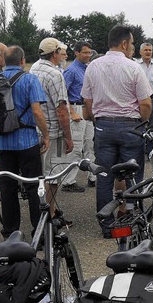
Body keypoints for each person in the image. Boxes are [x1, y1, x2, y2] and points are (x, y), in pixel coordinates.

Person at [82, 25, 152, 238]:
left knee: (104, 175)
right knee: (133, 175)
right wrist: (143, 122)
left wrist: (98, 119)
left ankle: (106, 224)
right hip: (130, 126)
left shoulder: (93, 66)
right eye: (131, 44)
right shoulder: (133, 68)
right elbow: (146, 103)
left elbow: (87, 100)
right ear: (124, 44)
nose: (132, 48)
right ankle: (131, 219)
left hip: (103, 126)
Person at [0, 46, 50, 238]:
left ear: (4, 61)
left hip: (3, 143)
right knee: (33, 187)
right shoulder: (30, 79)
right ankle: (38, 233)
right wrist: (46, 135)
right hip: (27, 141)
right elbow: (37, 111)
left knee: (7, 188)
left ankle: (10, 233)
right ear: (22, 60)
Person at [29, 37, 74, 226]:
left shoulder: (33, 69)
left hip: (36, 130)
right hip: (53, 132)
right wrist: (69, 137)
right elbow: (61, 109)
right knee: (53, 175)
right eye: (60, 51)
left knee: (40, 174)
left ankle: (46, 211)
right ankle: (50, 215)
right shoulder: (55, 75)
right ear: (54, 53)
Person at [61, 41, 94, 192]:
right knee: (76, 146)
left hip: (87, 109)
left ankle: (92, 177)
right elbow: (62, 94)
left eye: (89, 53)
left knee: (90, 144)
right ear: (76, 53)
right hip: (76, 109)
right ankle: (68, 181)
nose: (88, 55)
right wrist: (71, 112)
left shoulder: (87, 69)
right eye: (85, 52)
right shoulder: (71, 71)